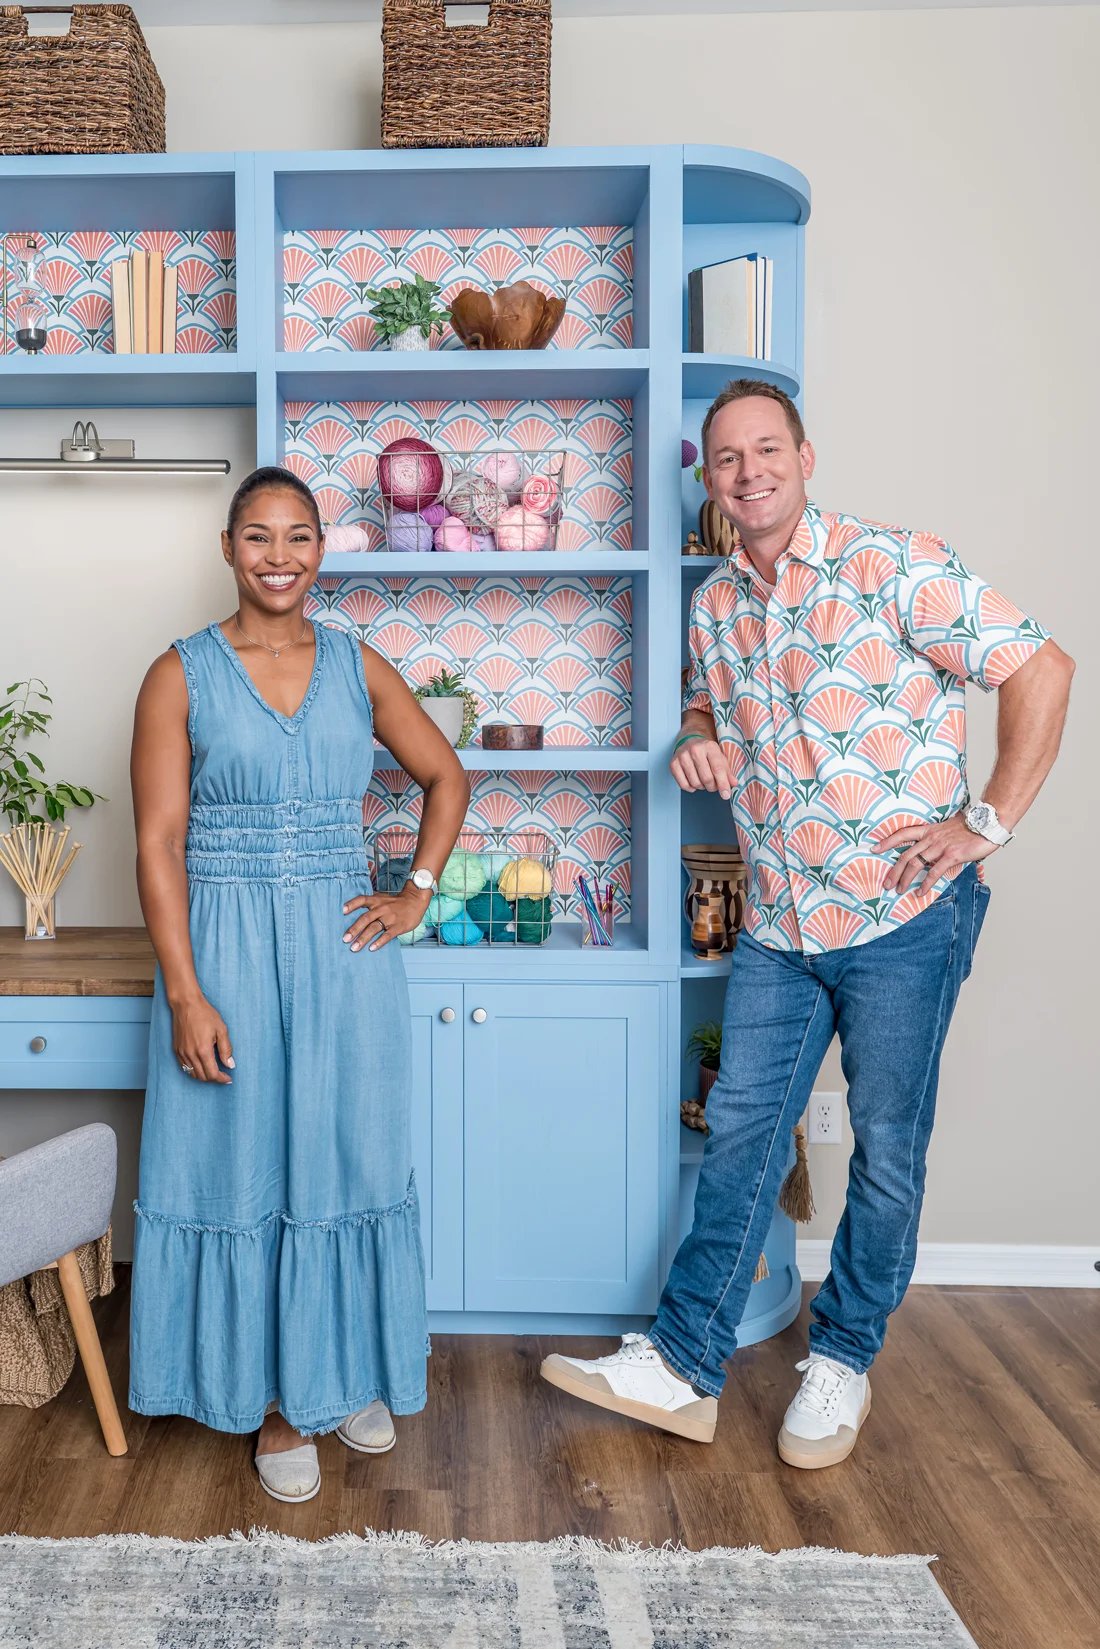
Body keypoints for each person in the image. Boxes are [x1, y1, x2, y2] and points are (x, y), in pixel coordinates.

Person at [542, 381, 1074, 1467]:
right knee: (739, 1133)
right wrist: (695, 733)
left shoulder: (891, 561)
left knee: (885, 1148)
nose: (747, 471)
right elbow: (709, 701)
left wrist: (985, 823)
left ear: (804, 455)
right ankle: (684, 1363)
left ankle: (840, 1360)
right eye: (726, 458)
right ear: (712, 479)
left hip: (902, 920)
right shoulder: (713, 603)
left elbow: (1040, 666)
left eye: (765, 449)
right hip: (779, 922)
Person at [128, 466, 469, 1502]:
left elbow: (444, 775)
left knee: (344, 1154)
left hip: (340, 948)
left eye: (299, 536)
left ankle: (338, 1372)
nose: (280, 555)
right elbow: (156, 840)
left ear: (323, 548)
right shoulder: (178, 671)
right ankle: (276, 1402)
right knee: (243, 1164)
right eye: (259, 536)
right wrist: (185, 993)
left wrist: (413, 892)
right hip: (224, 942)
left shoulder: (355, 664)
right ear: (226, 546)